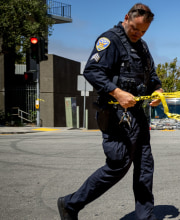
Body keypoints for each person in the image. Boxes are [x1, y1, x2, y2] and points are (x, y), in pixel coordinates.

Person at [57, 3, 163, 220]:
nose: (138, 34)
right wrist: (117, 92)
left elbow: (152, 77)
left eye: (143, 31)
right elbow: (92, 70)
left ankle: (145, 216)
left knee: (145, 166)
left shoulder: (142, 47)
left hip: (138, 116)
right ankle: (71, 204)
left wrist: (158, 91)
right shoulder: (110, 40)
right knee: (118, 165)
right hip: (115, 115)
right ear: (126, 18)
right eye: (135, 28)